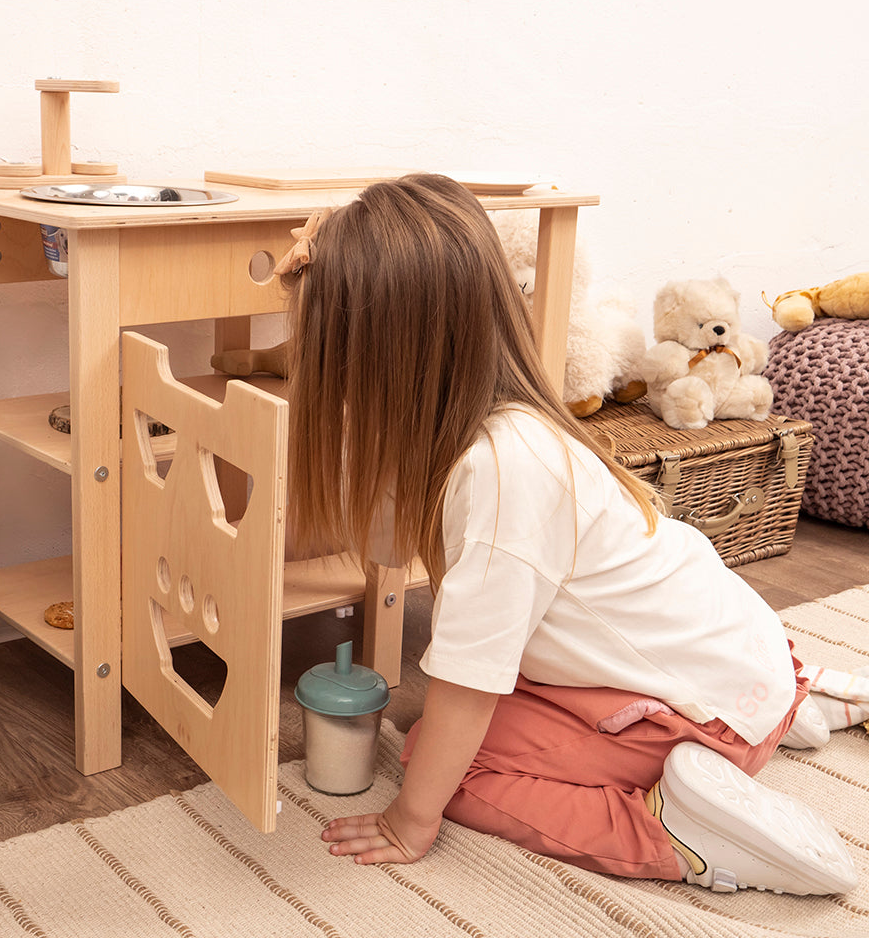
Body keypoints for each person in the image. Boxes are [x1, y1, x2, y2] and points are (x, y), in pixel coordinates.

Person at [276, 173, 858, 896]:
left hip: (710, 707)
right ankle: (793, 705)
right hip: (742, 652)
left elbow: (467, 679)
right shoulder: (490, 429)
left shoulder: (500, 470)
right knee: (472, 708)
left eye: (316, 342)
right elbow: (389, 549)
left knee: (448, 758)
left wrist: (411, 820)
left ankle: (682, 829)